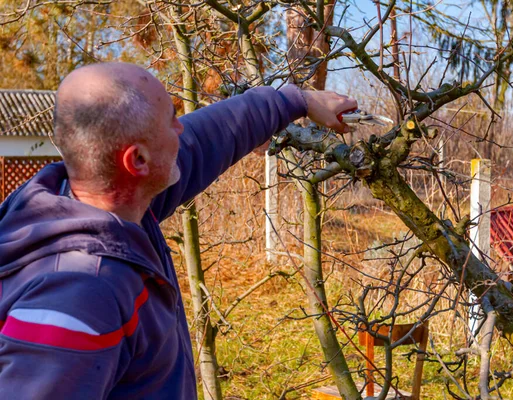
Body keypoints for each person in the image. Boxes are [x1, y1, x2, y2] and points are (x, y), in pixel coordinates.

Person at [0, 62, 357, 399]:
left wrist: (299, 101)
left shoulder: (114, 203)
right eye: (171, 121)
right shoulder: (80, 297)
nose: (181, 129)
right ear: (137, 160)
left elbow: (208, 138)